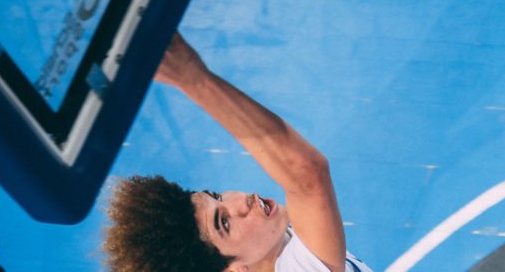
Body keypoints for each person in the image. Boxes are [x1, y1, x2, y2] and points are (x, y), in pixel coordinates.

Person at [103, 33, 372, 272]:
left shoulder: (270, 244)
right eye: (224, 223)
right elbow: (307, 176)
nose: (240, 202)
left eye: (216, 196)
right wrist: (193, 78)